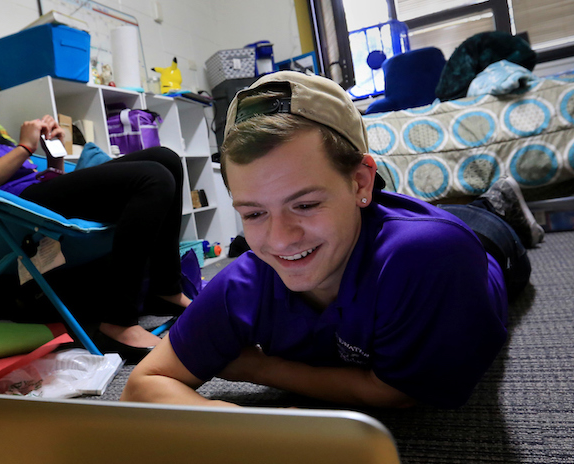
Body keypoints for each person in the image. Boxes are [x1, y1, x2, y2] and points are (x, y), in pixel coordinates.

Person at [121, 71, 534, 409]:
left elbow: (405, 394)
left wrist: (259, 369)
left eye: (304, 205)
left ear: (360, 182)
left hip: (488, 244)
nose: (280, 240)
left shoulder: (432, 256)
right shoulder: (244, 284)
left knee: (488, 221)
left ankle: (498, 203)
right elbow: (143, 385)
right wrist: (238, 424)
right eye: (254, 213)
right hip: (383, 222)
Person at [0, 49, 191, 360]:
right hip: (17, 211)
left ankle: (165, 289)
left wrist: (53, 157)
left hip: (41, 198)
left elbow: (48, 179)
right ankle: (118, 323)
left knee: (166, 159)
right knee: (153, 177)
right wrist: (25, 147)